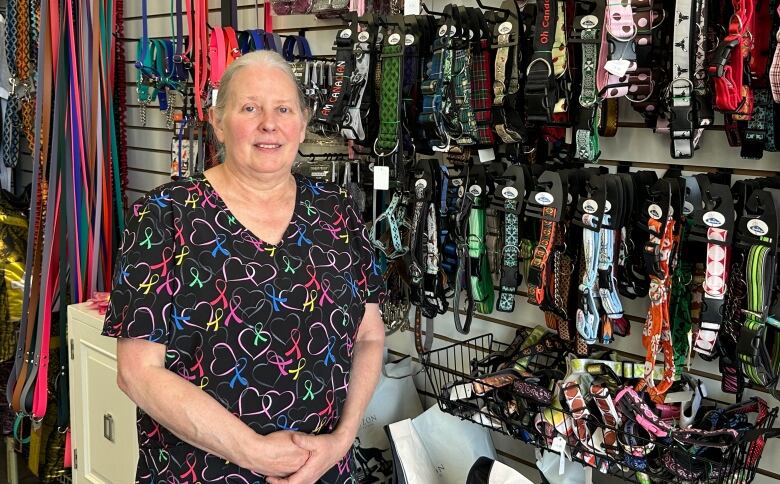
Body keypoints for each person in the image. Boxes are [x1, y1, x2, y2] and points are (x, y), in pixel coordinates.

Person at [102, 50, 386, 484]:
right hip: (199, 474)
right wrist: (256, 453)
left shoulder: (336, 212)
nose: (268, 124)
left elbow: (368, 334)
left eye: (283, 109)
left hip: (325, 470)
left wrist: (343, 439)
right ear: (218, 121)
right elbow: (137, 373)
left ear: (303, 123)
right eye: (249, 108)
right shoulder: (164, 216)